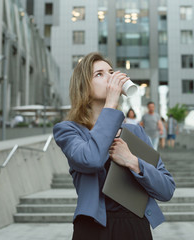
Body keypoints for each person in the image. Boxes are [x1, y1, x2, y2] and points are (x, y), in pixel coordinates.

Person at [53, 52, 175, 240]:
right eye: (99, 74)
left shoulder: (135, 132)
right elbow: (91, 159)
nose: (110, 77)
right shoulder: (69, 130)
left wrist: (133, 162)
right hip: (94, 228)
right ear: (83, 86)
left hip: (135, 226)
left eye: (110, 72)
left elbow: (166, 189)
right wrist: (111, 103)